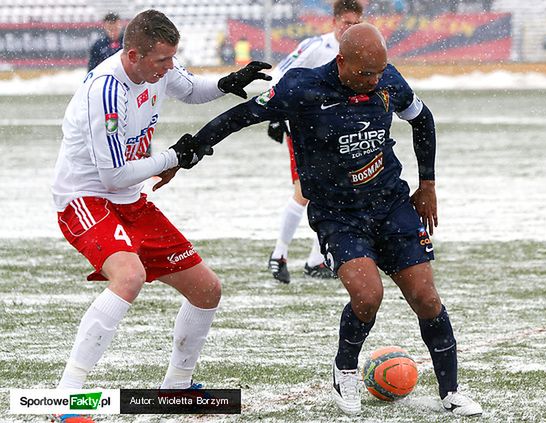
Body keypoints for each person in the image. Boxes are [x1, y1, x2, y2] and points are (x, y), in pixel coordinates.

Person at [156, 23, 483, 418]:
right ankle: (345, 368)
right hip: (338, 215)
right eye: (365, 74)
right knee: (367, 296)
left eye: (379, 72)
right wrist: (187, 155)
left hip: (391, 205)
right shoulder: (301, 88)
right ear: (341, 61)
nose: (373, 82)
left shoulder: (387, 80)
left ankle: (451, 392)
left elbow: (423, 119)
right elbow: (239, 117)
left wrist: (427, 184)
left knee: (427, 299)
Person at [51, 9, 270, 423]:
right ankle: (66, 399)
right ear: (133, 55)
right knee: (129, 277)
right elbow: (112, 174)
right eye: (162, 61)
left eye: (172, 58)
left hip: (130, 200)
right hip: (85, 198)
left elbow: (190, 89)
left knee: (207, 290)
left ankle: (176, 389)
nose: (170, 68)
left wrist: (228, 82)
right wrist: (173, 156)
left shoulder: (156, 66)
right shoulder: (106, 91)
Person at [266, 0, 363, 283]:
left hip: (336, 131)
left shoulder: (357, 51)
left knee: (336, 191)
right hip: (304, 128)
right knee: (305, 190)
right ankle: (279, 255)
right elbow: (281, 74)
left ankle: (316, 261)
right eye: (346, 23)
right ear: (334, 22)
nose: (351, 29)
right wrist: (275, 115)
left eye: (356, 24)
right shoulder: (316, 46)